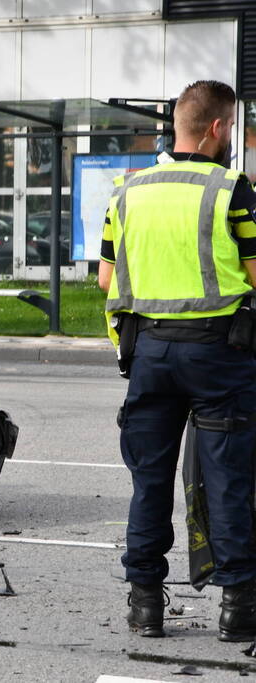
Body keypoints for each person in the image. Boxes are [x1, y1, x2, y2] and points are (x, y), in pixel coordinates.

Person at [99, 80, 256, 641]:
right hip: (220, 354)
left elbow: (106, 279)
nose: (231, 136)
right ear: (216, 127)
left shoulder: (128, 191)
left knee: (150, 482)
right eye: (231, 126)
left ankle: (145, 604)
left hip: (150, 353)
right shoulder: (232, 189)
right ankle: (238, 607)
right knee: (228, 479)